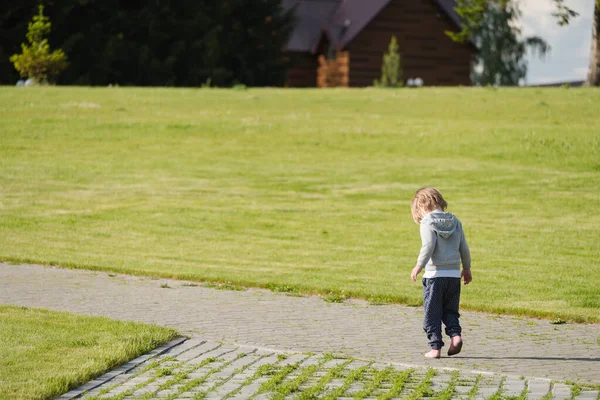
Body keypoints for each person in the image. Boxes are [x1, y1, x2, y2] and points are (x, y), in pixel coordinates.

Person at [410, 187, 472, 359]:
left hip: (434, 276)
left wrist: (419, 265)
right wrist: (466, 268)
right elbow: (464, 248)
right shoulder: (456, 221)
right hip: (453, 276)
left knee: (432, 313)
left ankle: (435, 348)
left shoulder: (427, 222)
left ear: (422, 206)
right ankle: (455, 336)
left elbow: (428, 246)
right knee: (450, 311)